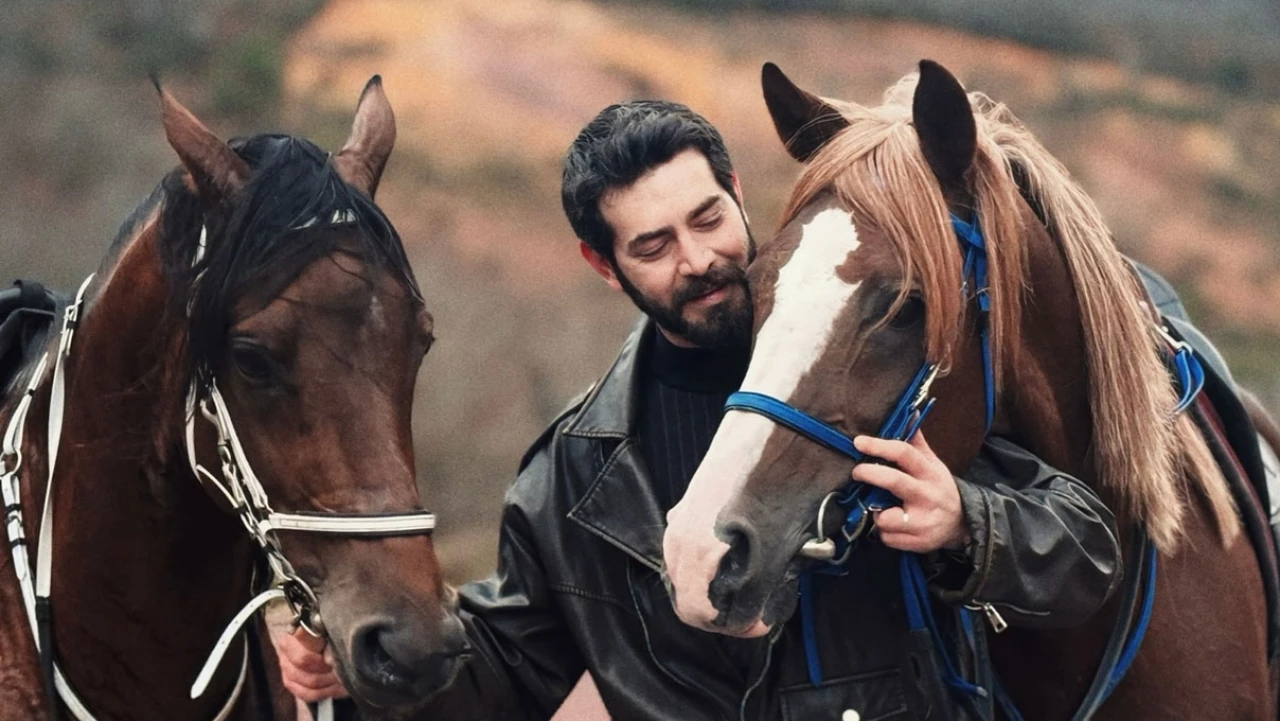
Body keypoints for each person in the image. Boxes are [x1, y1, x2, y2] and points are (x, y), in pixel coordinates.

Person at [272, 100, 1122, 720]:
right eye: (653, 245)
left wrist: (966, 521)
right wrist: (363, 666)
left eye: (707, 217)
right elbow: (511, 664)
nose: (699, 259)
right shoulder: (575, 467)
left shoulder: (858, 363)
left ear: (738, 193)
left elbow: (1085, 545)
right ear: (605, 266)